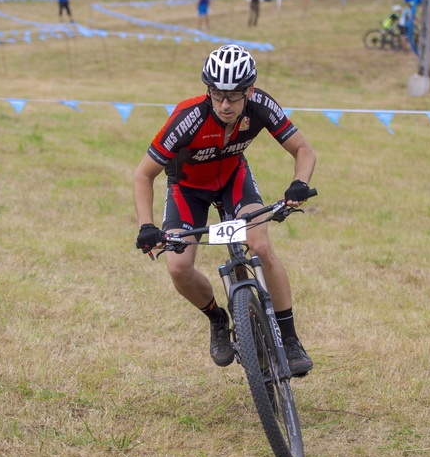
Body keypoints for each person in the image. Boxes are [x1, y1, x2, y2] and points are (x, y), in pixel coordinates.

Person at [133, 45, 317, 376]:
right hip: (188, 190)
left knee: (260, 246)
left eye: (233, 96)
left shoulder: (261, 105)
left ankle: (289, 340)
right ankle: (218, 318)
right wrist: (146, 226)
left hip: (233, 179)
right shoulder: (188, 118)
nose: (225, 104)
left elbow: (303, 149)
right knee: (178, 267)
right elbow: (143, 174)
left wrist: (299, 183)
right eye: (217, 94)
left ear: (249, 89)